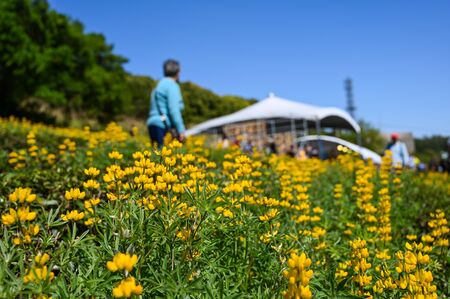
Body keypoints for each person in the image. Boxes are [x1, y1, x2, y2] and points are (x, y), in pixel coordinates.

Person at [147, 59, 185, 147]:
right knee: (164, 156)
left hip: (152, 123)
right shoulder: (172, 85)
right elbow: (174, 110)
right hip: (163, 125)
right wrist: (181, 130)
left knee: (156, 156)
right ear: (177, 72)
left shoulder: (158, 85)